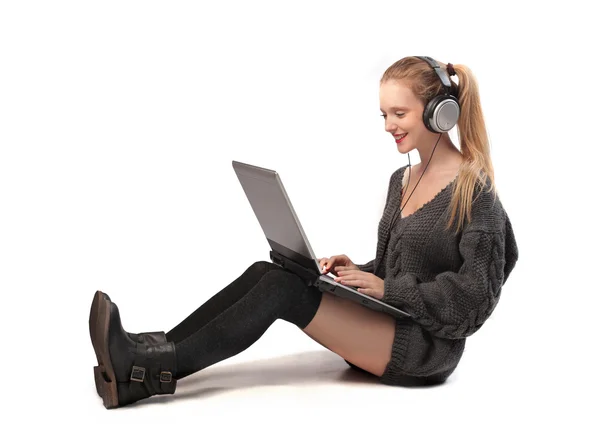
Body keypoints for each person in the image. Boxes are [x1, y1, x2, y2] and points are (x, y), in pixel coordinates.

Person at [88, 56, 519, 409]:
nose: (388, 125)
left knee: (283, 289)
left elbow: (474, 301)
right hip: (391, 321)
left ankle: (143, 372)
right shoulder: (401, 180)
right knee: (269, 271)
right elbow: (398, 271)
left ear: (437, 113)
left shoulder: (473, 191)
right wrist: (360, 272)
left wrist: (384, 287)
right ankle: (150, 349)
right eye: (384, 114)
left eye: (399, 113)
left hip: (422, 351)